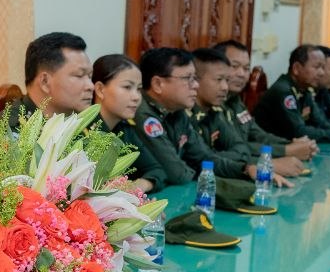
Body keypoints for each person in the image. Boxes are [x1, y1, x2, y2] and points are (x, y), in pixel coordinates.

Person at [133, 48, 281, 187]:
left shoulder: (177, 112)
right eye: (188, 78)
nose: (195, 85)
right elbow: (177, 174)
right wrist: (198, 170)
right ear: (158, 84)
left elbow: (205, 158)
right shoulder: (143, 116)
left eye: (195, 78)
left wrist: (246, 169)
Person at [190, 48, 305, 177]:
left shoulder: (225, 106)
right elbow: (199, 160)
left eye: (246, 68)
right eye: (235, 66)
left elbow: (243, 147)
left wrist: (289, 145)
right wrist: (272, 160)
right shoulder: (187, 114)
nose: (225, 87)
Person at [212, 40, 317, 162]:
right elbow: (235, 147)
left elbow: (258, 134)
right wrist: (286, 150)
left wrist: (291, 143)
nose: (242, 74)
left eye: (246, 68)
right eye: (234, 66)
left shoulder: (235, 100)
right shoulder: (213, 104)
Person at [254, 45, 330, 142]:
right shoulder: (283, 91)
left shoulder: (305, 89)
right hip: (269, 150)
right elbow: (298, 131)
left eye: (323, 68)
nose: (321, 73)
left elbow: (319, 121)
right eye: (317, 67)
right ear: (296, 68)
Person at [91, 54, 162, 193]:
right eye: (127, 87)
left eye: (138, 89)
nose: (136, 97)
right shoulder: (85, 131)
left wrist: (139, 186)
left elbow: (157, 170)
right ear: (100, 89)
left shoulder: (124, 128)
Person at [4, 32, 93, 127]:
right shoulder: (11, 129)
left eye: (90, 76)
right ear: (45, 82)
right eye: (79, 75)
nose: (91, 86)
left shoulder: (84, 123)